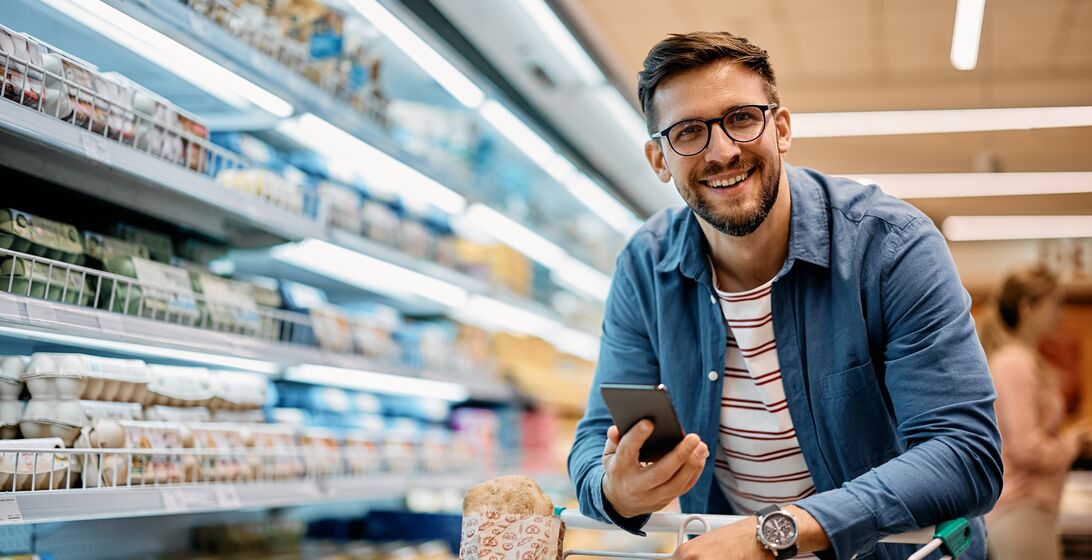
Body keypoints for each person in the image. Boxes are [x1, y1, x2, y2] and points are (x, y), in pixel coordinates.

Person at [567, 31, 1002, 560]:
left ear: (782, 127)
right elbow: (595, 440)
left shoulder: (890, 248)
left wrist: (778, 530)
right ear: (660, 159)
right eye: (687, 132)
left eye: (742, 118)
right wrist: (615, 491)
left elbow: (966, 453)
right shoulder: (645, 265)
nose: (723, 151)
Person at [978, 266, 1084, 560]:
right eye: (1054, 305)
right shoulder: (1015, 363)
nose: (1059, 314)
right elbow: (1027, 447)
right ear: (1028, 308)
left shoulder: (1022, 360)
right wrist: (1071, 444)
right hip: (1021, 507)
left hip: (1027, 509)